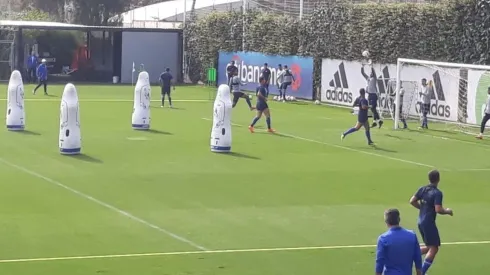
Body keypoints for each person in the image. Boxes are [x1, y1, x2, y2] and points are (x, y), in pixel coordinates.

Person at [409, 170, 453, 275]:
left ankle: (409, 255)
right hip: (428, 222)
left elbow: (412, 201)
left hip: (420, 221)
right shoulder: (437, 193)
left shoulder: (422, 189)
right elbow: (438, 209)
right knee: (434, 248)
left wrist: (422, 208)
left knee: (429, 246)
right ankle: (421, 272)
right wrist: (447, 211)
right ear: (438, 179)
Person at [375, 209, 422, 275]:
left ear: (386, 221)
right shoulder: (412, 235)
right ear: (399, 219)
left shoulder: (383, 239)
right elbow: (418, 258)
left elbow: (379, 262)